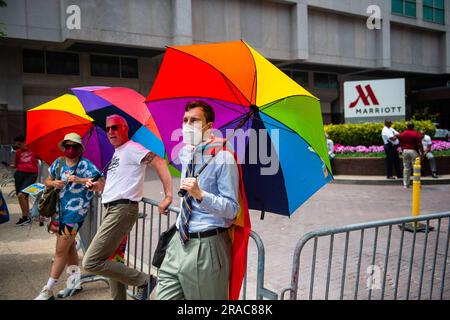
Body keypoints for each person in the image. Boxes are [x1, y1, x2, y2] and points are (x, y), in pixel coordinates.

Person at [83, 114, 173, 300]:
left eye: (115, 127)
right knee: (111, 259)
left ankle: (145, 280)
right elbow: (116, 185)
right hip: (112, 209)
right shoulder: (118, 152)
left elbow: (159, 161)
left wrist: (168, 195)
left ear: (125, 129)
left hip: (122, 211)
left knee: (91, 261)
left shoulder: (133, 148)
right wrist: (98, 186)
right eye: (108, 128)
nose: (110, 132)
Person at [156, 101, 239, 300]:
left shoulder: (224, 158)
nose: (187, 125)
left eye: (194, 120)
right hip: (179, 242)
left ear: (209, 127)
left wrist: (201, 194)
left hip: (207, 245)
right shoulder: (187, 153)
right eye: (185, 120)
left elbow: (232, 209)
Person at [34, 133, 100, 300]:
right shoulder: (59, 162)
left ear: (80, 149)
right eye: (67, 146)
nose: (70, 149)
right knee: (69, 248)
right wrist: (54, 183)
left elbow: (101, 183)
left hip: (75, 216)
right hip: (59, 213)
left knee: (60, 251)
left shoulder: (86, 165)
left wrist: (80, 180)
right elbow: (48, 180)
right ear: (63, 147)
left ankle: (47, 289)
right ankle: (74, 283)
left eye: (74, 147)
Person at [10, 135, 39, 226]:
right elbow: (15, 164)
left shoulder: (34, 150)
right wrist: (9, 165)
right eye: (17, 144)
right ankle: (25, 217)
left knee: (21, 195)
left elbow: (43, 157)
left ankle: (26, 218)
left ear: (25, 142)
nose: (18, 146)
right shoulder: (18, 152)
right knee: (22, 197)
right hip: (19, 174)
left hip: (31, 175)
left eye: (19, 144)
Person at [397, 122, 424, 188]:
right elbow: (420, 144)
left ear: (407, 126)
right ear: (413, 127)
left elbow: (400, 140)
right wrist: (422, 153)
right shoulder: (415, 134)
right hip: (413, 151)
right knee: (416, 168)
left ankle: (406, 184)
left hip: (405, 151)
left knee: (406, 168)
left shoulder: (402, 134)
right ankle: (417, 184)